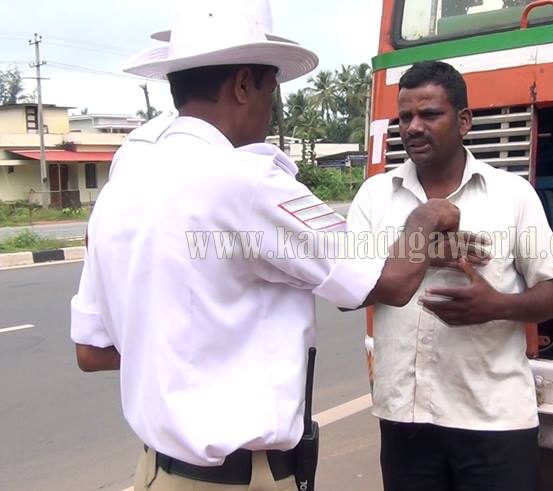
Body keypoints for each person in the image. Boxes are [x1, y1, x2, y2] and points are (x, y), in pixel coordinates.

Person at [70, 3, 460, 490]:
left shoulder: (120, 189)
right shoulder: (250, 183)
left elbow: (92, 350)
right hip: (236, 479)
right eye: (271, 89)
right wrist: (427, 216)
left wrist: (187, 351)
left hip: (156, 474)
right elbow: (392, 281)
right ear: (242, 85)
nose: (270, 106)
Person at [347, 61, 553, 491]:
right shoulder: (375, 195)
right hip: (404, 416)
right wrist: (423, 249)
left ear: (464, 121)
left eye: (429, 114)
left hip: (494, 419)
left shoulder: (511, 194)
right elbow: (348, 292)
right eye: (405, 117)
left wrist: (499, 306)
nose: (413, 127)